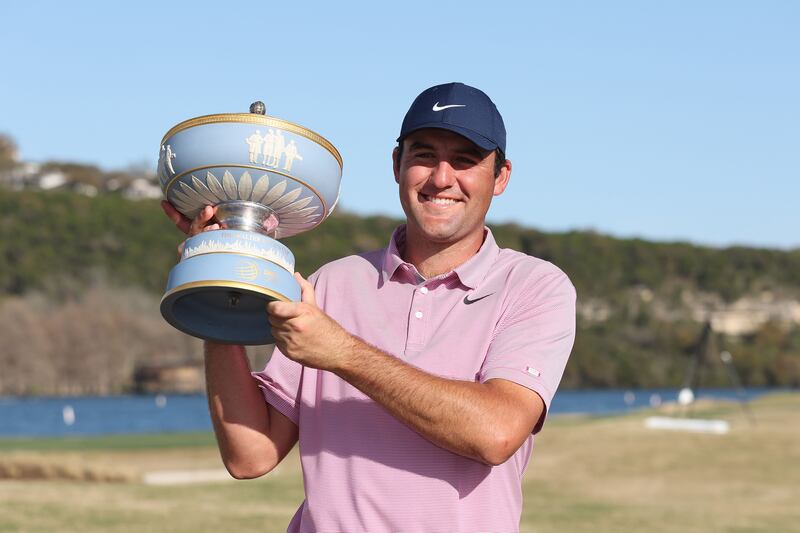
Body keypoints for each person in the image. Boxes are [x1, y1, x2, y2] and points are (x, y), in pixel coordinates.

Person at [162, 82, 576, 532]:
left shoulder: (535, 286)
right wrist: (221, 273)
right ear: (397, 165)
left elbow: (496, 432)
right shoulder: (331, 284)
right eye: (423, 155)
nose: (441, 178)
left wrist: (341, 352)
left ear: (500, 177)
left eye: (465, 160)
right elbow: (250, 455)